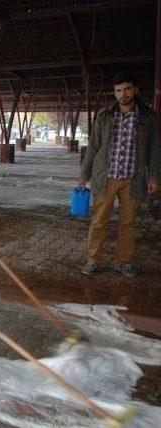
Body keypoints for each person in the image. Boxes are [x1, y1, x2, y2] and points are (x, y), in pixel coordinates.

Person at [80, 73, 160, 277]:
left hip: (133, 178)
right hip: (105, 177)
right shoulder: (105, 115)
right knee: (99, 221)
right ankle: (92, 259)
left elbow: (154, 149)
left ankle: (124, 261)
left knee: (128, 222)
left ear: (135, 90)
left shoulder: (148, 117)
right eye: (118, 90)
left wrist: (154, 178)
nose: (122, 94)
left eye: (127, 89)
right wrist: (84, 174)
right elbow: (93, 146)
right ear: (114, 93)